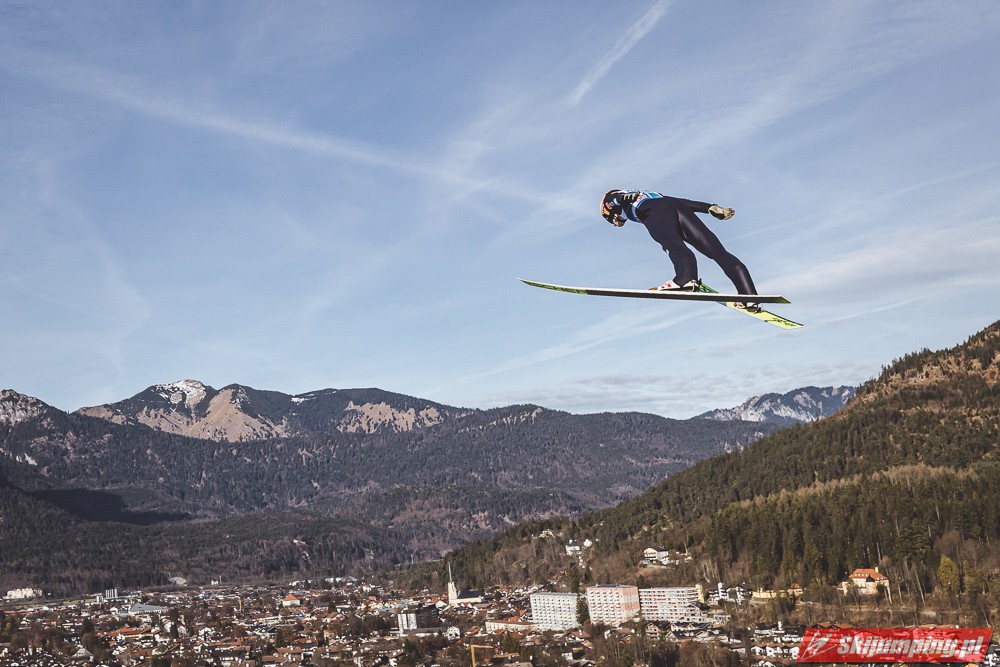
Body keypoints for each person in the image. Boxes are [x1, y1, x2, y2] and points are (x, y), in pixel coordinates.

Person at [600, 188, 760, 310]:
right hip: (676, 206)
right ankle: (748, 295)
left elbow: (612, 199)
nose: (617, 223)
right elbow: (677, 201)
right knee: (718, 252)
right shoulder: (648, 194)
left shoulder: (616, 199)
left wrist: (619, 200)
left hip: (655, 212)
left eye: (612, 220)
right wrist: (709, 207)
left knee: (671, 242)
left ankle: (685, 279)